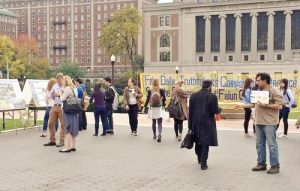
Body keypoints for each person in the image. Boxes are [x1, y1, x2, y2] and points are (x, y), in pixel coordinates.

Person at [236, 73, 283, 174]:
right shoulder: (258, 91)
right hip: (258, 122)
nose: (256, 82)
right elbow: (253, 104)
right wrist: (242, 105)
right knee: (259, 144)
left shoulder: (273, 90)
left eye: (258, 80)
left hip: (269, 122)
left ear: (264, 80)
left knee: (272, 145)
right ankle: (261, 164)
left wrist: (266, 105)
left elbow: (279, 106)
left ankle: (275, 165)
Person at [188, 80, 219, 170]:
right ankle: (203, 162)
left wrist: (190, 125)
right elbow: (215, 111)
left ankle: (199, 158)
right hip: (207, 122)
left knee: (197, 140)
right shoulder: (212, 96)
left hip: (195, 122)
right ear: (210, 86)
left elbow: (191, 112)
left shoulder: (193, 96)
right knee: (205, 142)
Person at [44, 73, 65, 147]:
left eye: (60, 80)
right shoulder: (55, 86)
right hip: (55, 105)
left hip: (62, 106)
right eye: (58, 80)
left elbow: (62, 95)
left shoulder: (65, 86)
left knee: (63, 125)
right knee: (51, 123)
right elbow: (51, 95)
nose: (59, 81)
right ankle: (52, 140)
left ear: (62, 79)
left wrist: (57, 94)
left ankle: (62, 141)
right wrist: (54, 94)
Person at [59, 75, 79, 152]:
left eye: (62, 80)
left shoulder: (67, 88)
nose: (61, 81)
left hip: (68, 110)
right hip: (74, 110)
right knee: (73, 128)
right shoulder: (74, 88)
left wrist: (61, 93)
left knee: (68, 128)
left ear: (66, 81)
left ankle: (67, 147)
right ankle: (73, 146)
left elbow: (62, 99)